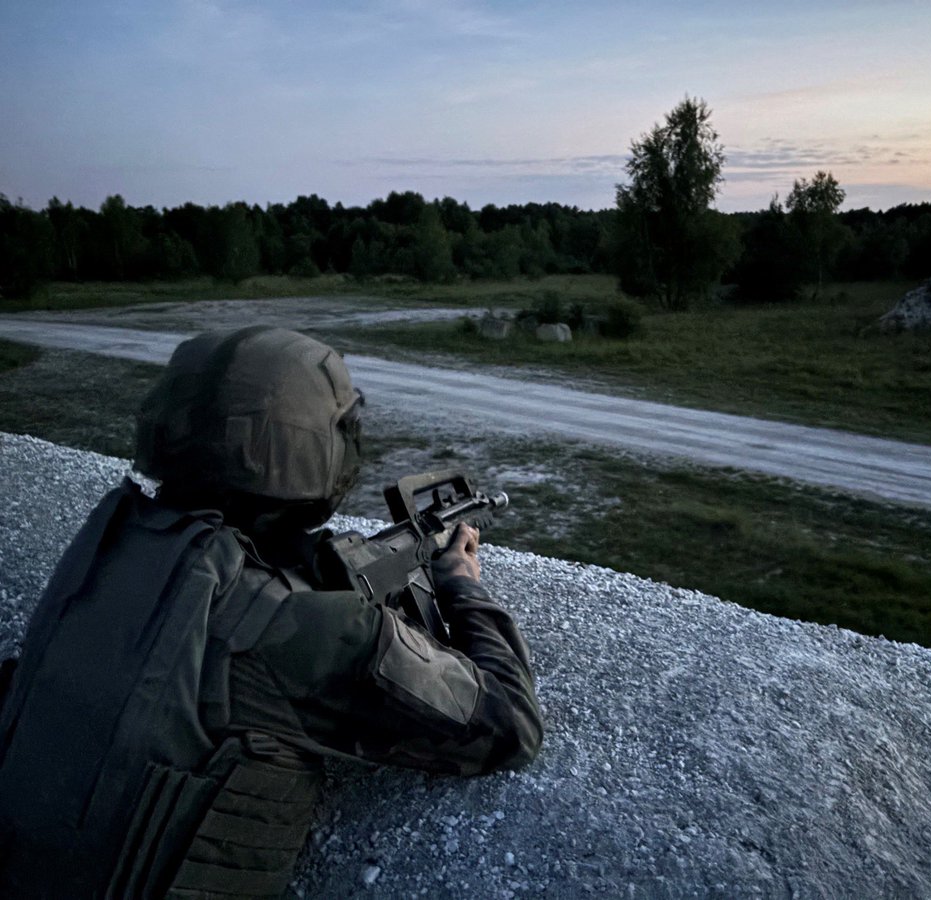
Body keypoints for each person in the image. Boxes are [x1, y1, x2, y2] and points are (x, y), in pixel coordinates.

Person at [0, 326, 543, 898]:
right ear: (313, 450)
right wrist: (461, 584)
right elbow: (511, 723)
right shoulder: (294, 626)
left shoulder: (118, 538)